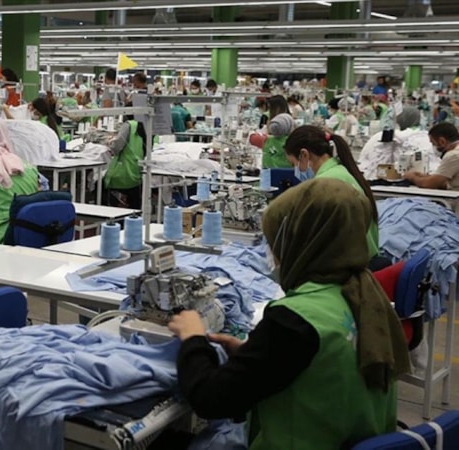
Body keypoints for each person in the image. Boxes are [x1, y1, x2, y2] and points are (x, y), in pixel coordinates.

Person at [169, 177, 408, 450]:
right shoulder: (366, 295)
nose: (273, 254)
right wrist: (254, 356)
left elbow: (210, 399)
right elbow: (319, 363)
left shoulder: (295, 319)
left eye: (275, 243)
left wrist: (193, 338)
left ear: (301, 242)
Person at [285, 125, 383, 266]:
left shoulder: (324, 184)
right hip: (368, 261)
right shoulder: (341, 171)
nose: (295, 170)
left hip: (353, 268)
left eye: (293, 164)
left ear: (304, 155)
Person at [103, 119, 146, 209]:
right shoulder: (148, 124)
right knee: (135, 203)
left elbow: (117, 147)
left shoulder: (129, 125)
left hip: (124, 172)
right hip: (139, 171)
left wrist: (110, 143)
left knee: (98, 184)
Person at [404, 122, 459, 190]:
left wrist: (412, 177)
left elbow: (429, 184)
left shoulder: (453, 155)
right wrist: (426, 177)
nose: (434, 147)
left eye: (434, 144)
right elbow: (447, 182)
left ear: (442, 141)